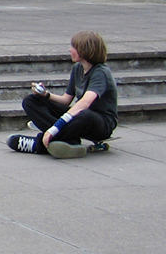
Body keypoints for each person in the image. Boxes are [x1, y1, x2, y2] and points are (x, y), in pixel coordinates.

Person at [7, 30, 117, 159]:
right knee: (31, 101)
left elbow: (84, 103)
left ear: (85, 50)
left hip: (100, 123)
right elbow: (66, 100)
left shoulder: (101, 73)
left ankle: (39, 143)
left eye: (73, 47)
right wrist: (45, 95)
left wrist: (55, 128)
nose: (70, 50)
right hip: (78, 117)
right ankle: (69, 140)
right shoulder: (78, 68)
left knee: (84, 113)